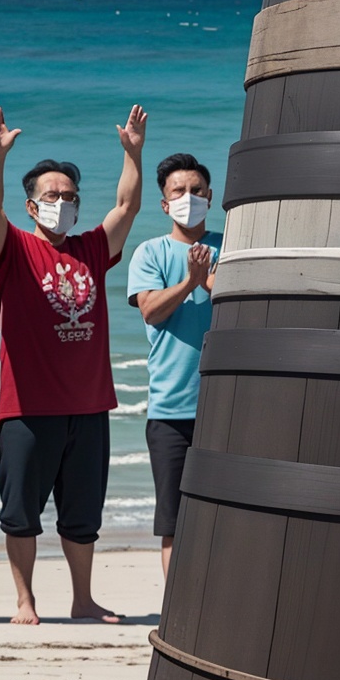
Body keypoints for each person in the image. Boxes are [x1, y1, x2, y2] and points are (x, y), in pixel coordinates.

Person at [0, 103, 147, 625]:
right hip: (28, 409)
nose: (62, 203)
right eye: (52, 196)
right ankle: (25, 600)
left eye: (70, 197)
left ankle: (83, 599)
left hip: (89, 406)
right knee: (21, 513)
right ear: (31, 207)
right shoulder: (15, 249)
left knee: (82, 516)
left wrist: (134, 156)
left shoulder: (92, 248)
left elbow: (127, 206)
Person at [127, 153, 221, 578]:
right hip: (171, 411)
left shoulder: (231, 247)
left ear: (211, 196)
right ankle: (177, 610)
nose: (189, 198)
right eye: (178, 192)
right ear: (164, 204)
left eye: (196, 191)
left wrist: (208, 278)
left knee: (224, 514)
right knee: (175, 521)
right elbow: (150, 311)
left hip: (227, 407)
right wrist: (190, 282)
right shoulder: (151, 252)